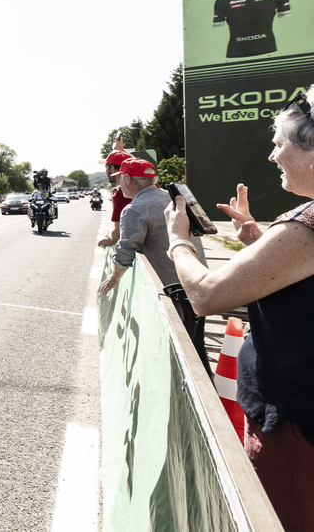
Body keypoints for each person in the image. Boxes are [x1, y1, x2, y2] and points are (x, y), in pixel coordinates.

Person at [166, 95, 314, 531]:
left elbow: (206, 295)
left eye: (279, 142)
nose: (273, 155)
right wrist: (258, 242)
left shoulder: (305, 226)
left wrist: (179, 240)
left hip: (294, 426)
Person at [98, 157, 206, 295]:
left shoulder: (134, 209)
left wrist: (114, 278)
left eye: (120, 179)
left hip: (176, 290)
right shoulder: (171, 197)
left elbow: (125, 250)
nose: (119, 185)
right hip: (201, 278)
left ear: (127, 179)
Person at [97, 138, 134, 248]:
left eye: (106, 167)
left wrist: (111, 239)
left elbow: (118, 233)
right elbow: (142, 164)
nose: (105, 170)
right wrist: (121, 150)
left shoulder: (121, 195)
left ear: (112, 168)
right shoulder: (146, 184)